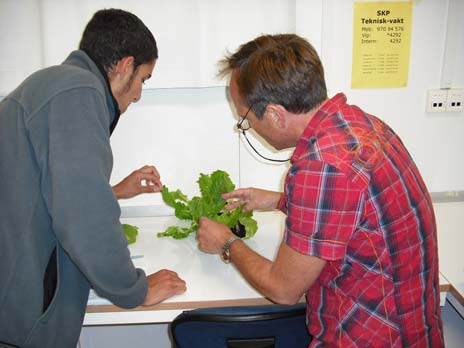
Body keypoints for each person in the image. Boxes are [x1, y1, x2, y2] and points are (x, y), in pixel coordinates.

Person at [197, 34, 443, 347]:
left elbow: (283, 289)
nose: (249, 128)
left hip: (371, 337)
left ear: (274, 113)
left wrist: (226, 242)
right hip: (413, 329)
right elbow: (355, 213)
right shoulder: (361, 124)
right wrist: (277, 200)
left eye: (245, 118)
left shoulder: (322, 167)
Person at [0, 9, 186, 348]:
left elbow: (41, 193)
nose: (139, 94)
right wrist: (135, 289)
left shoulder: (51, 85)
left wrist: (113, 191)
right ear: (126, 66)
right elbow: (83, 216)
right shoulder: (77, 91)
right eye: (143, 79)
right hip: (23, 322)